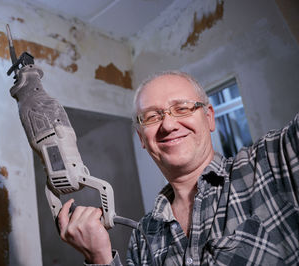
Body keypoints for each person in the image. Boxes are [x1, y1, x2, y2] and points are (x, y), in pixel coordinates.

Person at [57, 70, 299, 265]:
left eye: (182, 108)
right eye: (152, 116)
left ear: (209, 117)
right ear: (142, 138)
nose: (168, 125)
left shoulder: (273, 161)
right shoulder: (142, 238)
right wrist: (99, 258)